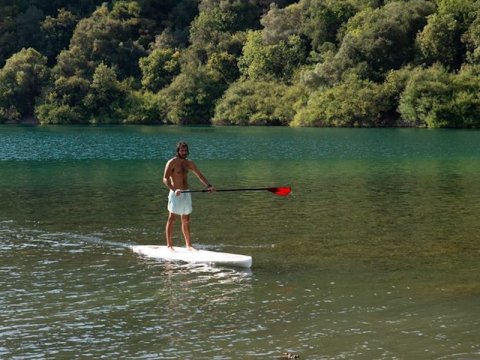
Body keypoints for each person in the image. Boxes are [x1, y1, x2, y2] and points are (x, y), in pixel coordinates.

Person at [163, 142, 214, 250]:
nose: (184, 152)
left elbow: (200, 176)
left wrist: (208, 185)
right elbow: (165, 178)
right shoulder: (172, 162)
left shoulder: (189, 163)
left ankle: (188, 245)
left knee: (186, 219)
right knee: (171, 218)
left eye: (185, 151)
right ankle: (169, 245)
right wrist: (174, 189)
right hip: (175, 193)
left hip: (186, 193)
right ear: (178, 151)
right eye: (182, 150)